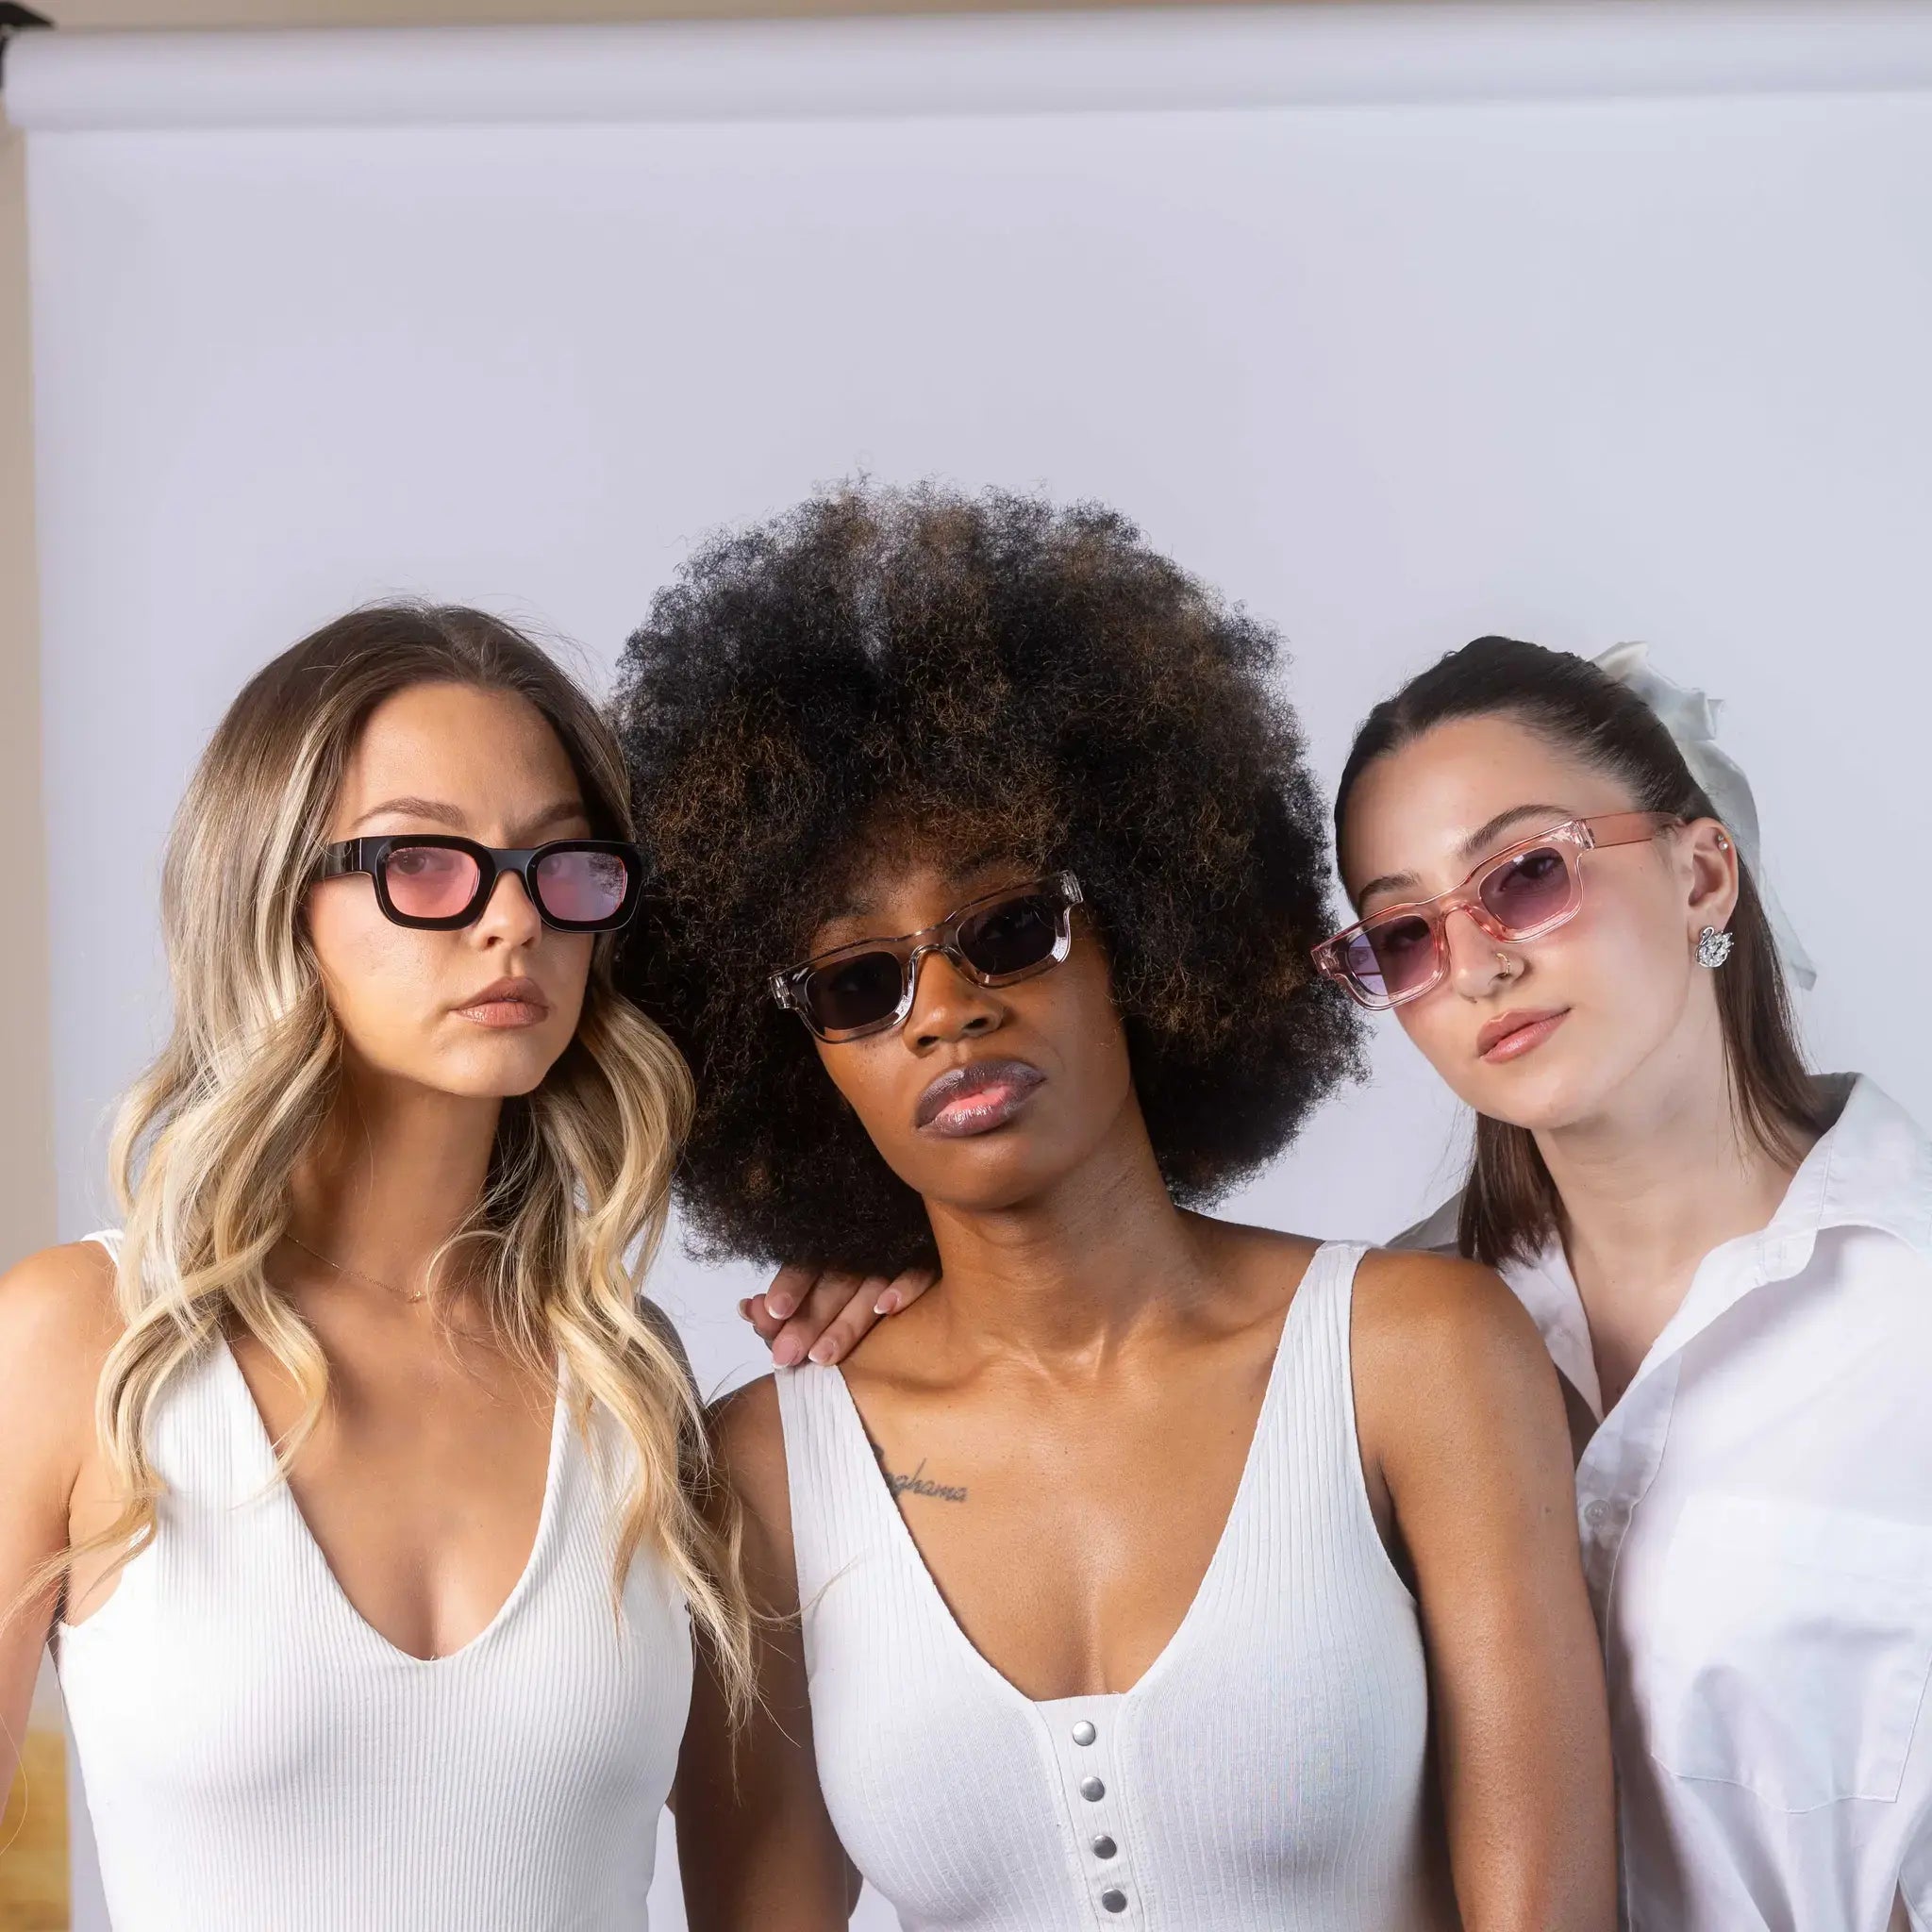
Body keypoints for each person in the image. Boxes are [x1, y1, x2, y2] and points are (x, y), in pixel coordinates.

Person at [615, 482, 1618, 1931]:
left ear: (1140, 942)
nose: (946, 1012)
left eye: (1010, 930)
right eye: (860, 982)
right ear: (798, 1059)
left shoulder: (1419, 1353)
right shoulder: (766, 1470)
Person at [0, 605, 759, 1931]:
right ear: (272, 893)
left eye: (557, 864)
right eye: (425, 861)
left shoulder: (631, 1374)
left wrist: (909, 1320)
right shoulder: (84, 1343)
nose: (512, 920)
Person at [1316, 636, 1932, 1931]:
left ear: (1705, 873)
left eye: (1528, 875)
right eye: (1403, 935)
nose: (1475, 964)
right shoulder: (1364, 1348)